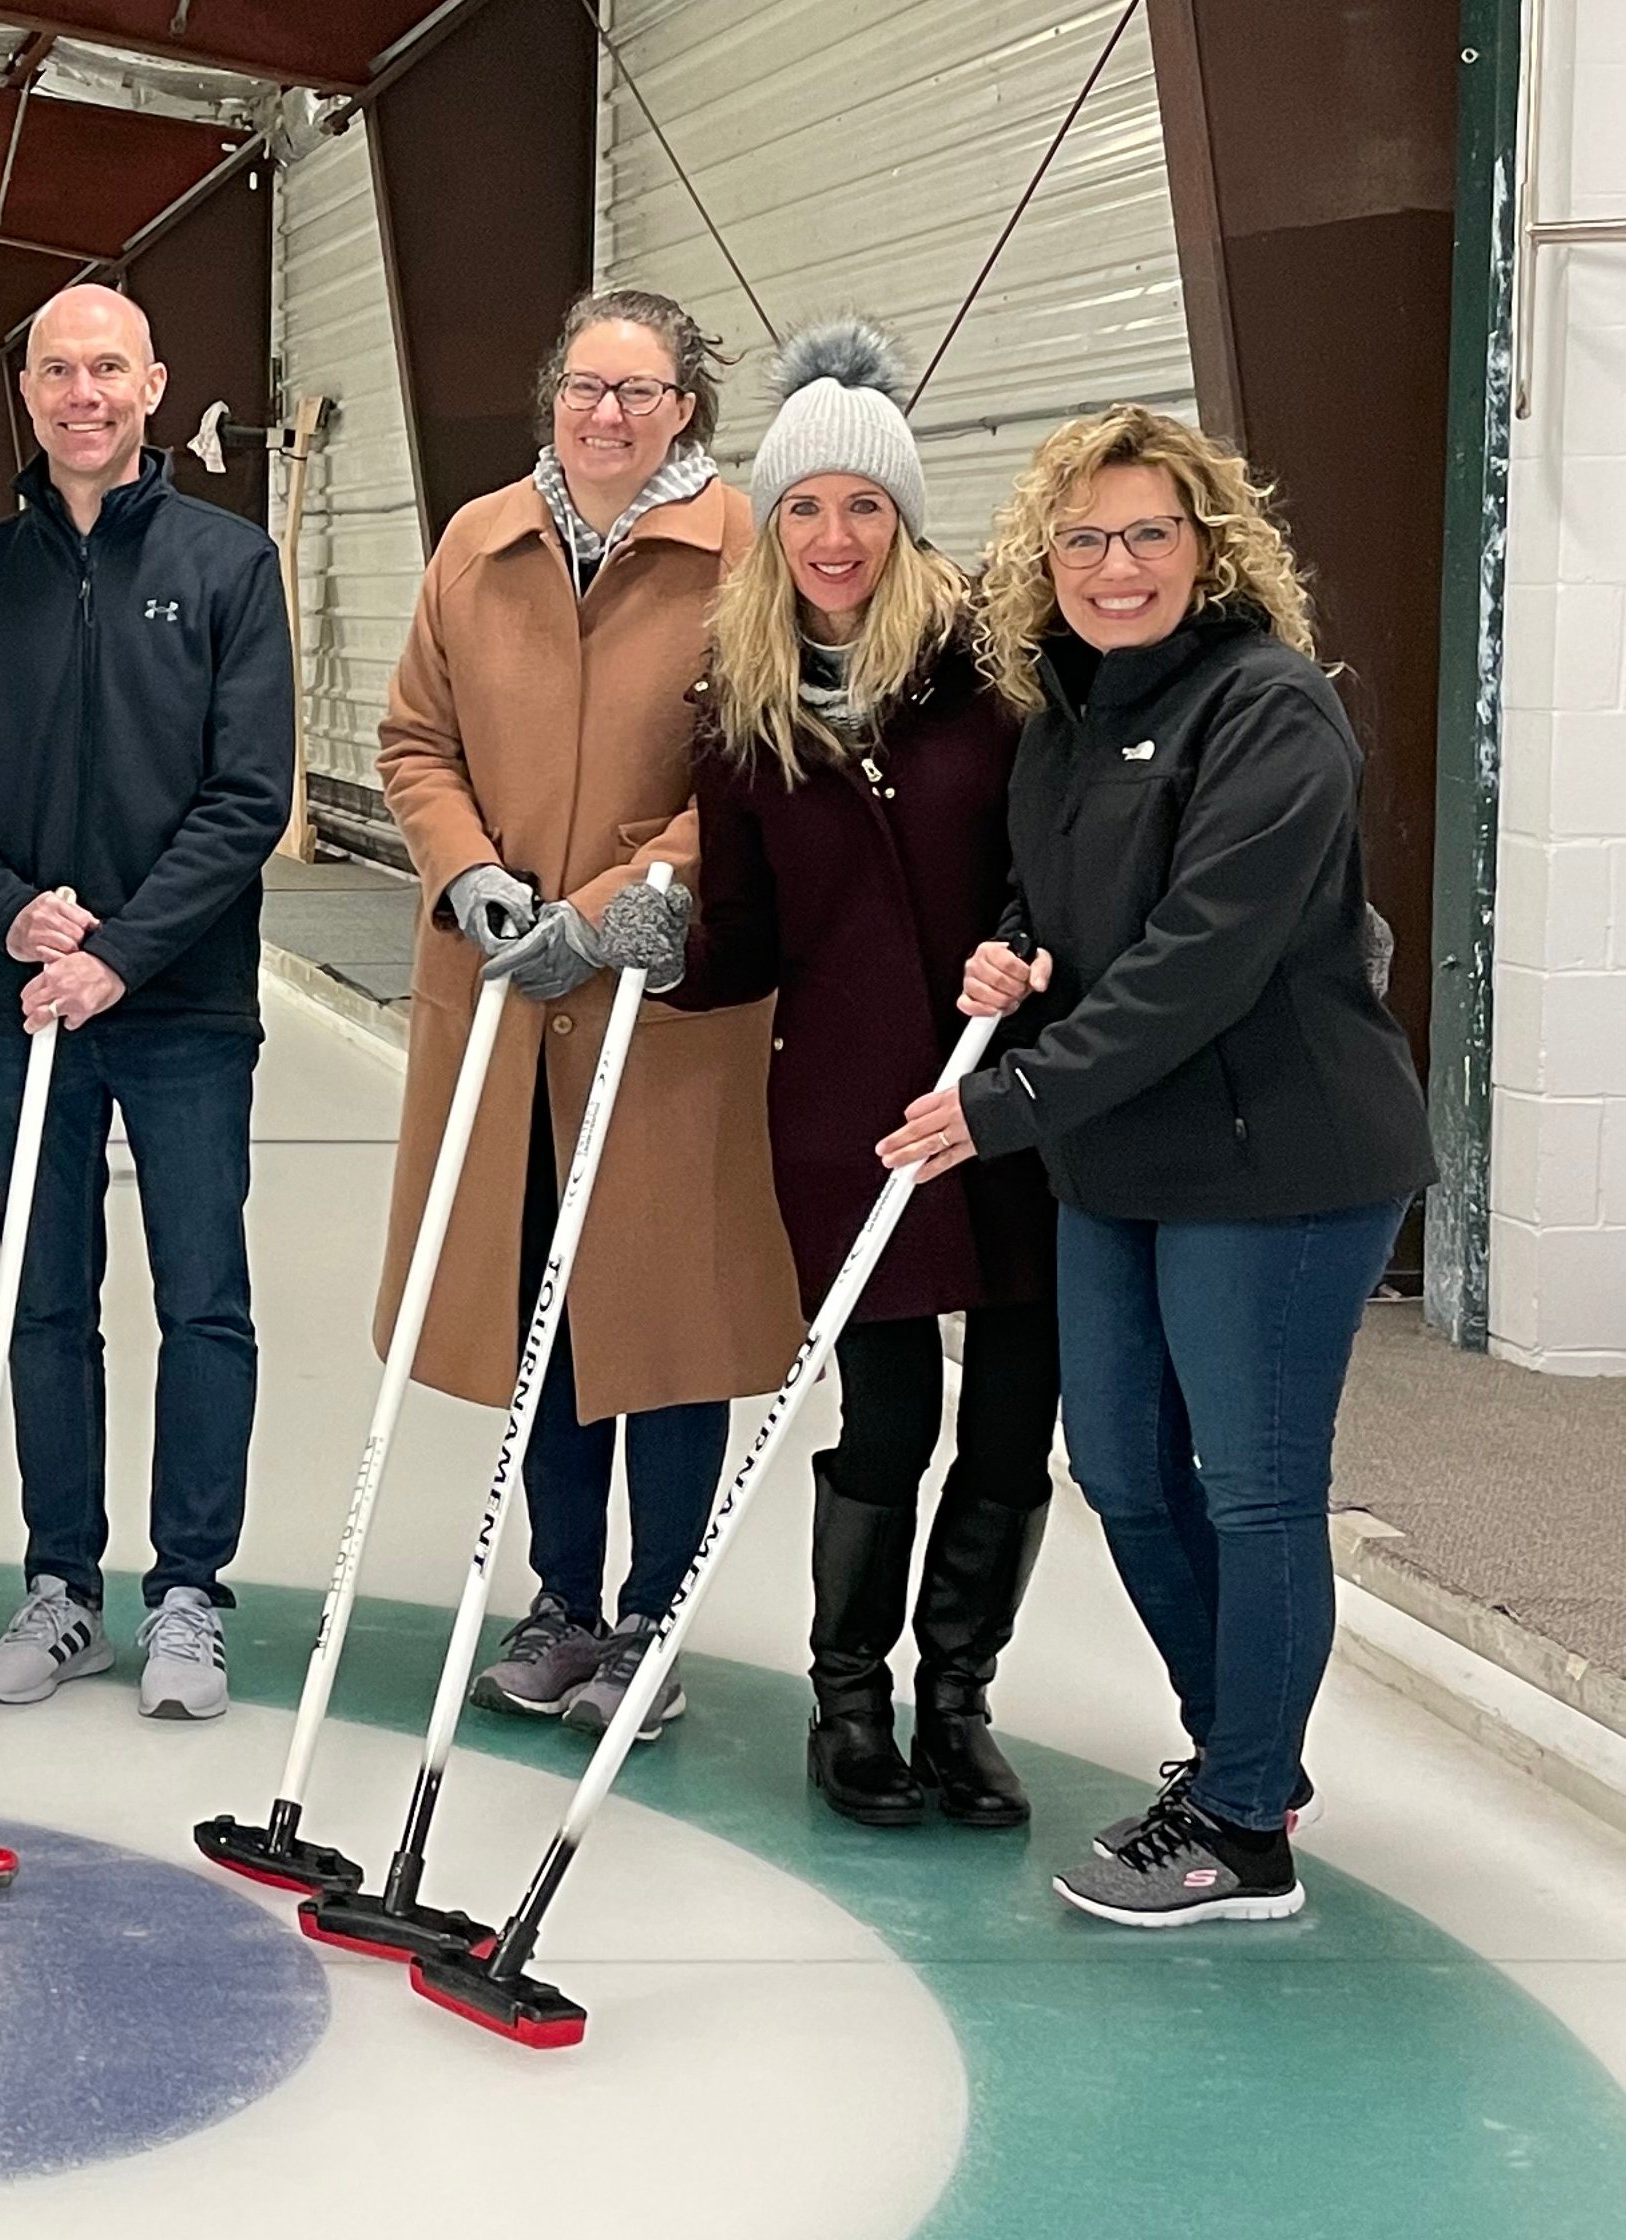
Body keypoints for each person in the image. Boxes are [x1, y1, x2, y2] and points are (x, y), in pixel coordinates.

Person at [885, 406, 1430, 1927]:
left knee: (1254, 1490)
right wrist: (1009, 942)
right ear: (1042, 558)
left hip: (1280, 1159)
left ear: (1210, 548)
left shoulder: (1270, 710)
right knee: (1123, 1470)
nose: (1115, 567)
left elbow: (1204, 957)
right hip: (1118, 1152)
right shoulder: (1065, 710)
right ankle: (1241, 1750)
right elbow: (1056, 889)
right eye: (1084, 539)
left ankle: (1245, 1822)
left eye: (1148, 536)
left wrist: (1004, 1105)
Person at [377, 287, 802, 1744]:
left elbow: (762, 760)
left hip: (657, 1005)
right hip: (505, 1004)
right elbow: (413, 740)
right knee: (540, 1315)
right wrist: (469, 873)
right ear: (549, 394)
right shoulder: (477, 543)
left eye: (641, 391)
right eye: (583, 387)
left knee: (662, 1321)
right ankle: (561, 1600)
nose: (607, 415)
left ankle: (651, 1618)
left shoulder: (745, 552)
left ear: (689, 406)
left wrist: (629, 892)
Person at [672, 319, 1058, 1827]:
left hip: (1010, 1094)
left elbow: (1058, 869)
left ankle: (960, 1696)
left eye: (864, 508)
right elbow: (749, 938)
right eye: (807, 509)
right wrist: (659, 952)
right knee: (887, 1415)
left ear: (903, 522)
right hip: (851, 1112)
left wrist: (1022, 949)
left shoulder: (997, 682)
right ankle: (855, 1702)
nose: (834, 536)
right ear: (773, 527)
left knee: (1018, 1409)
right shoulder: (742, 707)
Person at [0, 284, 294, 1722]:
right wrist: (9, 912)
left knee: (205, 1299)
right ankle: (62, 1584)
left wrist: (120, 950)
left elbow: (250, 793)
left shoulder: (230, 564)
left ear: (152, 386)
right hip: (24, 1010)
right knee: (45, 1302)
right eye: (58, 368)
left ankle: (188, 1594)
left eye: (109, 367)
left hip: (181, 1002)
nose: (84, 391)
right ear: (26, 390)